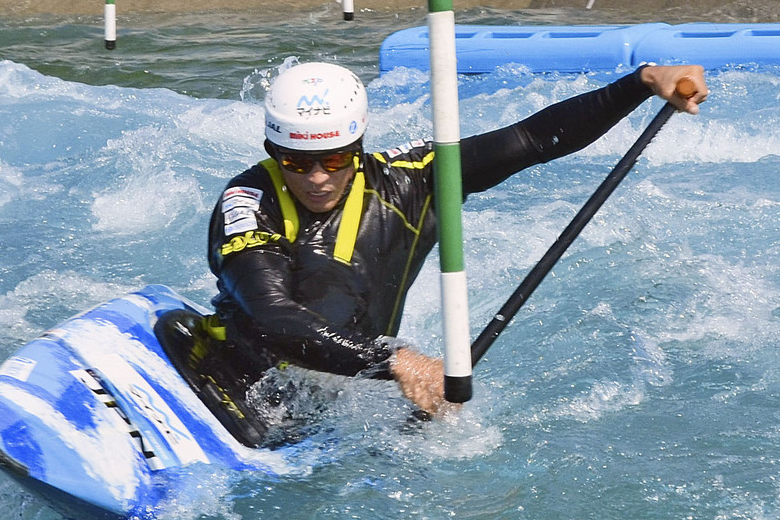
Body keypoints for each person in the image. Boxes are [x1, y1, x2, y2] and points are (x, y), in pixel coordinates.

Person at [158, 60, 707, 448]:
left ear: (359, 144)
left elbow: (536, 140)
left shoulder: (412, 180)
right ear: (273, 152)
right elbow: (270, 315)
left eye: (336, 158)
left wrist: (641, 83)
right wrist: (399, 360)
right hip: (236, 378)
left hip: (341, 393)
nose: (319, 178)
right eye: (298, 163)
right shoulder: (247, 199)